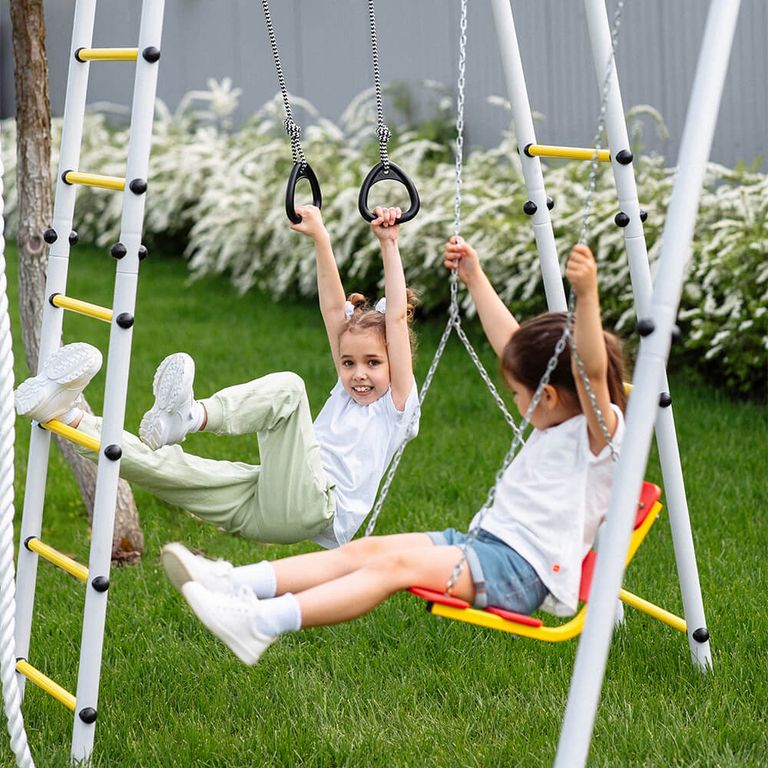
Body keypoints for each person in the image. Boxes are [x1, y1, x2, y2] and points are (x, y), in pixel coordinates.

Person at [158, 240, 628, 666]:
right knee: (365, 551)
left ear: (549, 395)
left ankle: (261, 623)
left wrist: (587, 297)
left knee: (391, 568)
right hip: (485, 546)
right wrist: (475, 277)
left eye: (518, 393)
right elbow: (513, 347)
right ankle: (235, 582)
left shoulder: (598, 436)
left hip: (521, 571)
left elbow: (589, 371)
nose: (516, 400)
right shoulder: (558, 417)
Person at [14, 206, 419, 547]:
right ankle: (66, 415)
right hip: (268, 504)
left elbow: (397, 320)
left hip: (317, 508)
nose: (358, 374)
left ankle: (190, 416)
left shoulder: (395, 406)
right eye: (348, 364)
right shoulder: (347, 392)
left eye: (373, 363)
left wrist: (389, 244)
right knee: (168, 467)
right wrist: (320, 238)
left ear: (395, 363)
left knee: (290, 390)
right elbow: (333, 311)